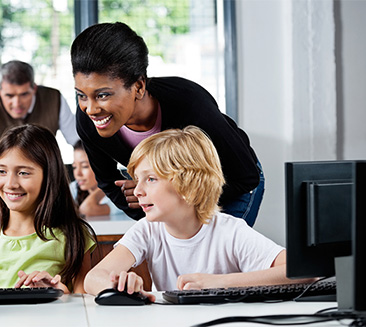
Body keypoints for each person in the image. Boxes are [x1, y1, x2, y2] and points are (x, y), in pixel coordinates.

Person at [83, 126, 313, 302]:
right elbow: (93, 278)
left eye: (150, 179)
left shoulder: (229, 231)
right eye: (137, 180)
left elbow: (304, 272)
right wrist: (121, 288)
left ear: (187, 185)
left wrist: (218, 284)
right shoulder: (147, 230)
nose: (138, 191)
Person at [71, 22, 264, 227]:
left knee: (212, 257)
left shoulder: (191, 105)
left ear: (138, 86)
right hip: (175, 197)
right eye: (81, 95)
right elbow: (108, 181)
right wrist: (144, 208)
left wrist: (164, 192)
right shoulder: (88, 121)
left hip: (232, 183)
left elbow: (246, 176)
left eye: (102, 95)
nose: (90, 109)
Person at [0, 124, 95, 293]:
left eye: (23, 173)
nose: (10, 184)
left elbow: (83, 307)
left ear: (49, 177)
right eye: (2, 171)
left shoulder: (74, 236)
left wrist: (60, 294)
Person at [0, 60, 79, 147]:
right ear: (0, 91)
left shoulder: (54, 99)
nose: (17, 103)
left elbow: (78, 141)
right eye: (9, 96)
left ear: (34, 88)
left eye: (24, 94)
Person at [70, 140, 121, 217]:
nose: (77, 174)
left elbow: (86, 209)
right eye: (74, 167)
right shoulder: (74, 188)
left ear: (101, 167)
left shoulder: (118, 196)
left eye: (85, 166)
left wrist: (105, 185)